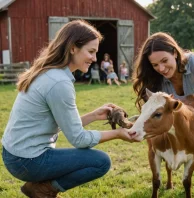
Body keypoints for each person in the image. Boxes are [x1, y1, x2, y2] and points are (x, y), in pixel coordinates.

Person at [1, 20, 136, 198]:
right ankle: (43, 190)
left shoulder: (49, 72)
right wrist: (118, 134)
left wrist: (94, 115)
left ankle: (40, 187)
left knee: (95, 160)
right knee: (100, 162)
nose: (95, 58)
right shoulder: (59, 82)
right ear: (73, 48)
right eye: (91, 51)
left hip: (16, 155)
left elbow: (65, 125)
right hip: (27, 160)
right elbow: (79, 139)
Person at [132, 32, 194, 188]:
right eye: (155, 65)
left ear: (174, 53)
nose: (161, 68)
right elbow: (153, 109)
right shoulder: (154, 79)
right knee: (163, 139)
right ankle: (168, 171)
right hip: (169, 110)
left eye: (164, 61)